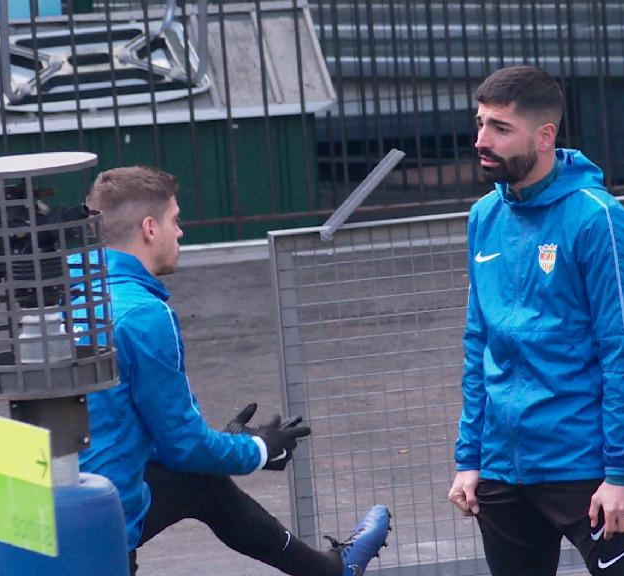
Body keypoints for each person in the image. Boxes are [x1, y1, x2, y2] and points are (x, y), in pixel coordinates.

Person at [76, 166, 390, 576]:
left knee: (197, 481)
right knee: (194, 472)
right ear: (150, 228)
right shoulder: (144, 315)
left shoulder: (66, 292)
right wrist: (261, 449)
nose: (181, 232)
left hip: (41, 514)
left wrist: (224, 446)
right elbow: (182, 445)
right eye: (176, 221)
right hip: (98, 523)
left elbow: (113, 428)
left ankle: (329, 572)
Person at [447, 65, 624, 576]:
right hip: (500, 465)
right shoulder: (483, 217)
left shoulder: (598, 219)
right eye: (480, 124)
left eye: (500, 128)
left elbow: (622, 350)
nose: (482, 140)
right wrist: (469, 457)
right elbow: (479, 343)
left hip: (582, 466)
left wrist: (621, 472)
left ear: (544, 137)